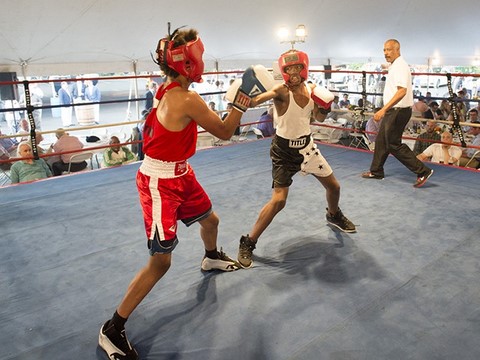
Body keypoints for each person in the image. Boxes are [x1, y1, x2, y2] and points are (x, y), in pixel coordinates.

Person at [98, 26, 257, 360]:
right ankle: (112, 328)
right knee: (161, 262)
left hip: (181, 172)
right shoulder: (187, 98)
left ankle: (211, 256)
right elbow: (226, 132)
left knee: (210, 220)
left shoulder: (167, 88)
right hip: (160, 183)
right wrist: (242, 101)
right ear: (188, 62)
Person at [236, 49, 356, 269]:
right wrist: (245, 94)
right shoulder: (281, 90)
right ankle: (248, 241)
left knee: (334, 187)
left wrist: (325, 107)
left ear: (304, 68)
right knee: (279, 201)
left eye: (296, 68)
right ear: (283, 71)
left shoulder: (312, 90)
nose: (292, 72)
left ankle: (333, 214)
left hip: (307, 148)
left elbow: (318, 117)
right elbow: (258, 100)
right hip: (283, 152)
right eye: (288, 68)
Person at [361, 39, 433, 187]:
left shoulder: (400, 66)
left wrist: (383, 109)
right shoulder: (395, 65)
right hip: (396, 110)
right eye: (384, 50)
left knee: (393, 144)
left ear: (397, 50)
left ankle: (422, 171)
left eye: (389, 50)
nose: (386, 53)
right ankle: (376, 171)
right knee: (381, 140)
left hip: (398, 110)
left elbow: (401, 92)